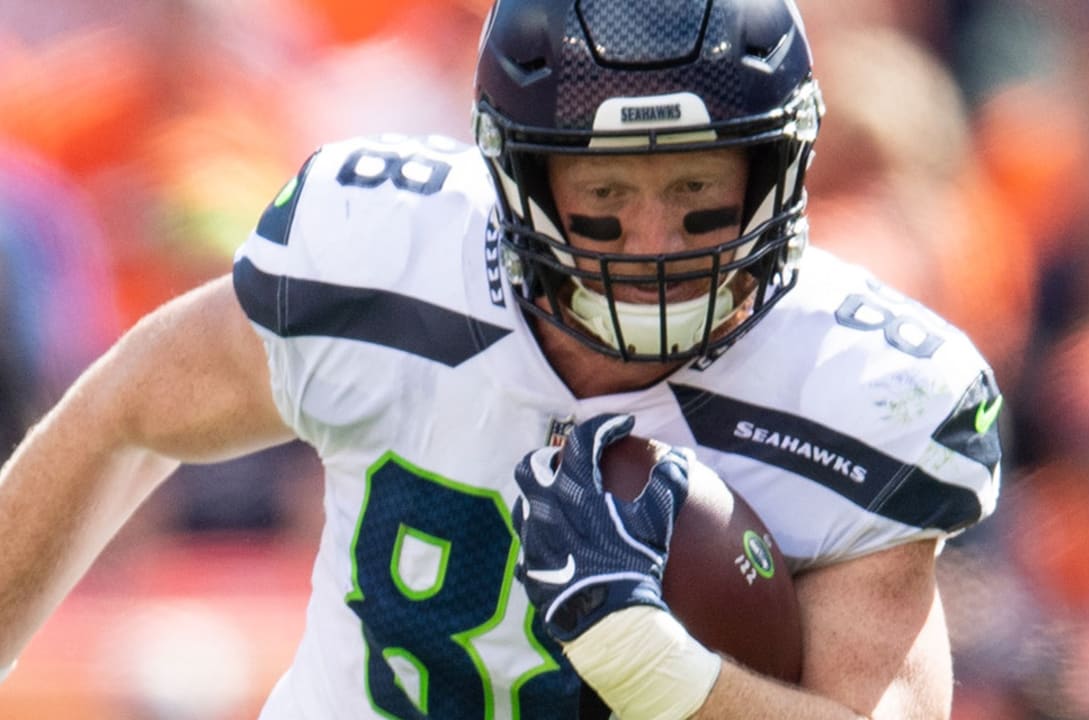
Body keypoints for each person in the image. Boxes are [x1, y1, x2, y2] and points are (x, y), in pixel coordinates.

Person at [0, 0, 1002, 717]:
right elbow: (119, 416)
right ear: (517, 181)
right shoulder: (390, 255)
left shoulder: (860, 391)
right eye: (604, 200)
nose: (652, 241)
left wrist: (654, 666)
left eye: (695, 188)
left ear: (773, 172)